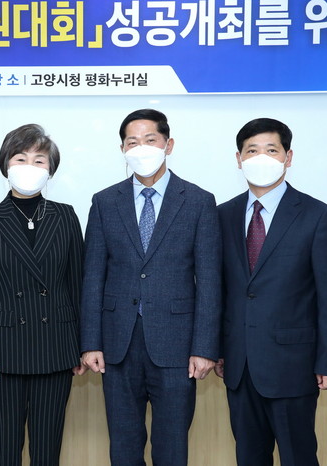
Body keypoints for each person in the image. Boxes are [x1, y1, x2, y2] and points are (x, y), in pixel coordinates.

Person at [80, 109, 222, 465]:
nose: (141, 148)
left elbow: (209, 281)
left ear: (168, 145)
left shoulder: (199, 201)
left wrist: (204, 347)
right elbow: (93, 276)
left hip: (177, 345)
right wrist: (91, 342)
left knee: (171, 447)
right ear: (122, 149)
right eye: (132, 142)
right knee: (123, 447)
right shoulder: (104, 201)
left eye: (150, 140)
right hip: (118, 344)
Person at [214, 118, 327, 466]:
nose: (261, 158)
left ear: (288, 157)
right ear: (238, 159)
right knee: (248, 457)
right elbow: (218, 290)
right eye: (252, 151)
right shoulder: (221, 215)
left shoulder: (317, 216)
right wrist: (218, 349)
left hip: (294, 366)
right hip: (240, 365)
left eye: (271, 150)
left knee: (298, 456)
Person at [0, 124, 85, 465]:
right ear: (6, 164)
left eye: (39, 160)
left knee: (47, 451)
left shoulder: (65, 216)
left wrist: (80, 347)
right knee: (5, 451)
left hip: (56, 349)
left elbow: (78, 285)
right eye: (20, 158)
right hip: (2, 353)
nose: (29, 167)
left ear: (51, 169)